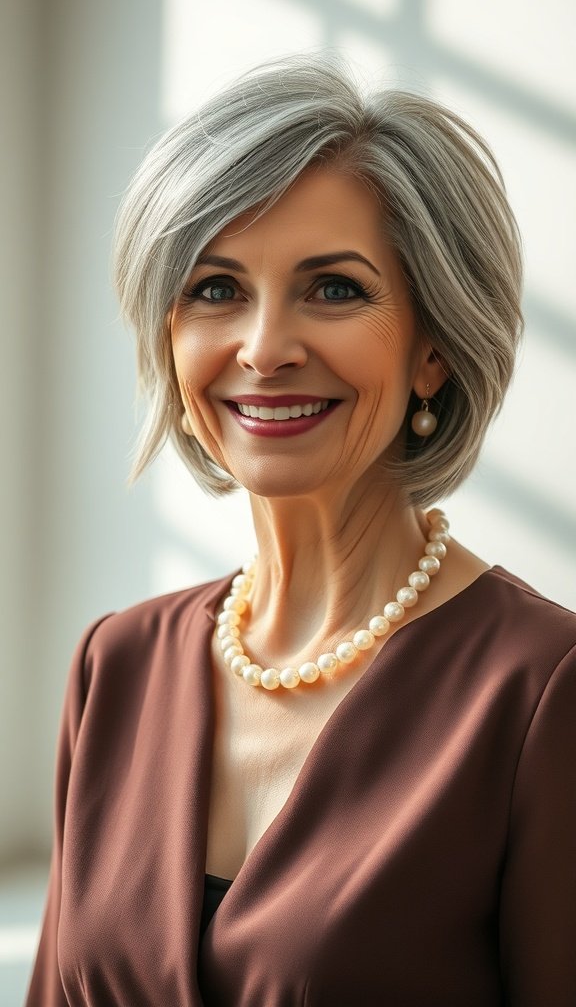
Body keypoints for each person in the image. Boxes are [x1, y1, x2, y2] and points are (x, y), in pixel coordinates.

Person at [27, 53, 576, 1007]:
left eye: (333, 289)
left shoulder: (542, 693)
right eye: (215, 288)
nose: (266, 348)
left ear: (435, 351)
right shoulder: (113, 665)